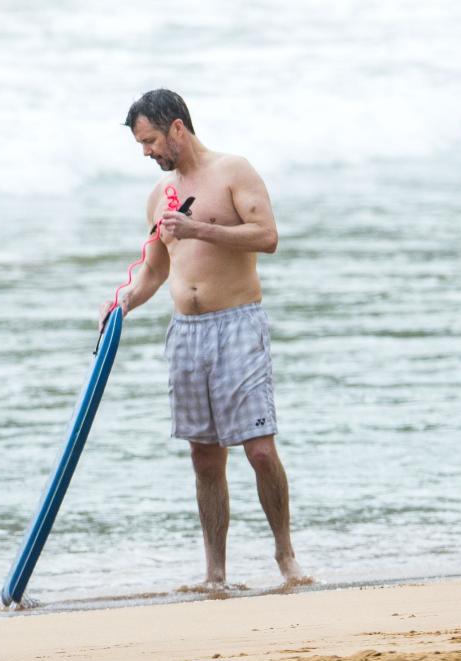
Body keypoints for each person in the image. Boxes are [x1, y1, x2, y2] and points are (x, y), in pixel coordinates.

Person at [101, 89, 307, 589]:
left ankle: (286, 559)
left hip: (238, 321)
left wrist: (198, 228)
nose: (147, 152)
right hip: (186, 333)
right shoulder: (158, 197)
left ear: (177, 128)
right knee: (204, 457)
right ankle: (215, 573)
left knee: (258, 449)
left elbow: (268, 236)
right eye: (140, 145)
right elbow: (152, 271)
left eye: (150, 141)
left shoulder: (233, 171)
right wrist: (122, 303)